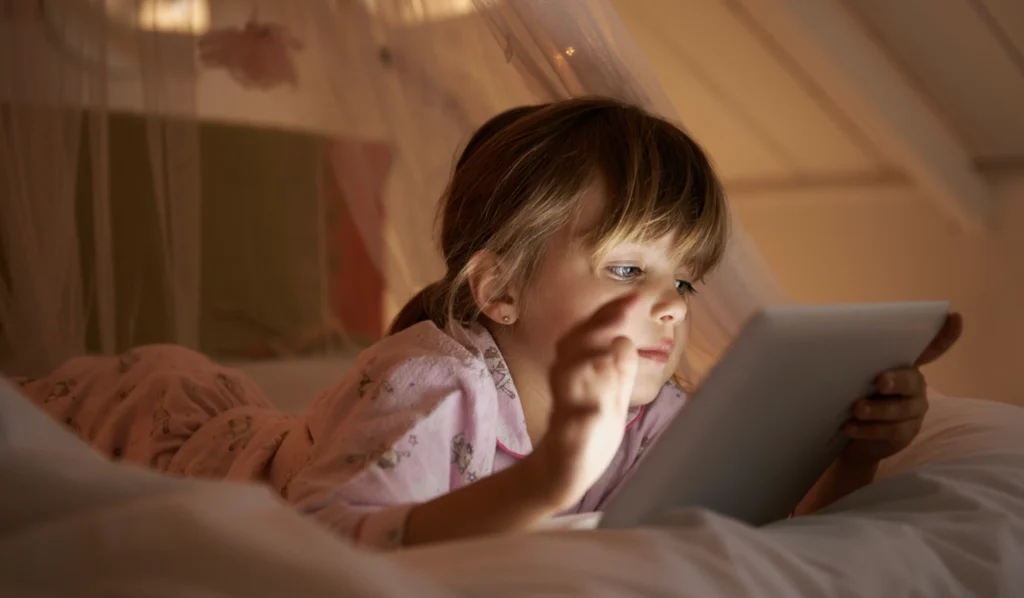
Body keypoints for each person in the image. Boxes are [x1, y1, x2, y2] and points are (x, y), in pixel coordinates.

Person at [12, 97, 962, 551]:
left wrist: (857, 454)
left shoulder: (651, 406)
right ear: (498, 289)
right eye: (630, 269)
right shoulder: (436, 381)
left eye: (687, 277)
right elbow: (318, 537)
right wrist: (549, 480)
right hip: (164, 429)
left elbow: (744, 524)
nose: (671, 306)